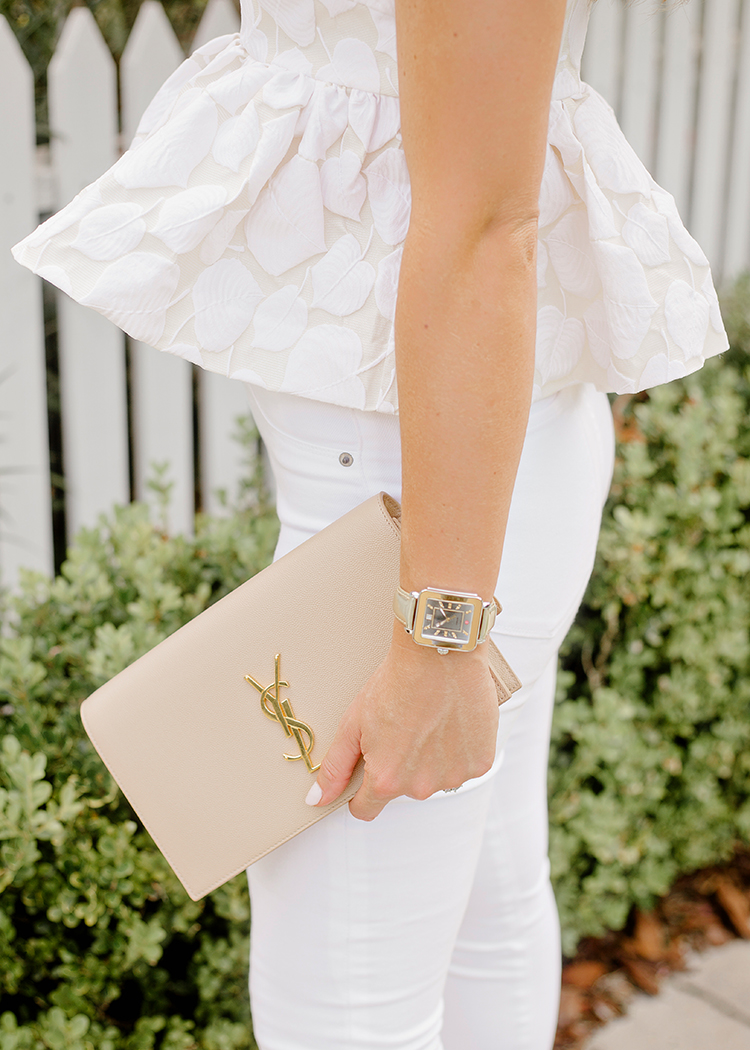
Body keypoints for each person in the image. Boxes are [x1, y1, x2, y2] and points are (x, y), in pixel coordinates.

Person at [11, 0, 728, 1046]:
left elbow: (488, 229)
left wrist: (437, 638)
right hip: (451, 488)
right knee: (482, 915)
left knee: (341, 1014)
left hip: (423, 515)